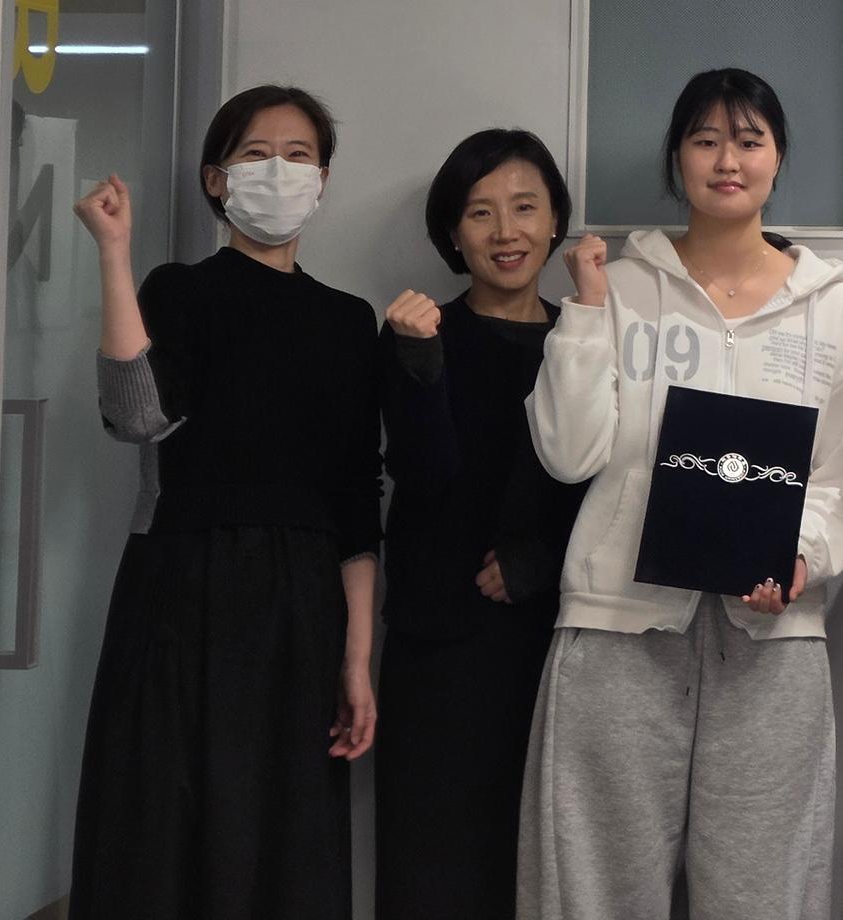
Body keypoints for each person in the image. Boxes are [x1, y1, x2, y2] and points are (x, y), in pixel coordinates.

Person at [517, 69, 843, 920]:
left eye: (749, 141)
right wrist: (585, 312)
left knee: (766, 895)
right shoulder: (621, 287)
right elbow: (569, 455)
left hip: (772, 638)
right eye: (706, 140)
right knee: (594, 890)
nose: (728, 161)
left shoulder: (829, 308)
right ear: (676, 156)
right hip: (618, 625)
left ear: (778, 158)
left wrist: (803, 555)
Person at [68, 85, 379, 920]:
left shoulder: (349, 321)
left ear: (322, 180)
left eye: (299, 156)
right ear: (217, 178)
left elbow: (357, 502)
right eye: (255, 154)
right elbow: (136, 417)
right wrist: (114, 255)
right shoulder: (181, 289)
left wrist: (356, 659)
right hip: (183, 588)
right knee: (162, 826)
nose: (279, 170)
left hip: (301, 605)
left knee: (283, 837)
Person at [376, 128, 587, 920]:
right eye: (480, 212)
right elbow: (424, 476)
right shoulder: (418, 332)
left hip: (559, 639)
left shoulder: (585, 338)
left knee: (541, 868)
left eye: (526, 207)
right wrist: (420, 363)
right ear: (452, 233)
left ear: (556, 220)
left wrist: (538, 564)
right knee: (432, 867)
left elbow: (614, 489)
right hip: (439, 643)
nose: (506, 232)